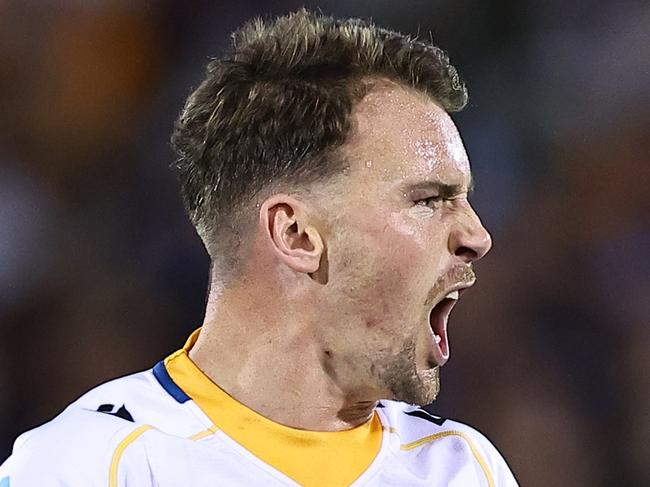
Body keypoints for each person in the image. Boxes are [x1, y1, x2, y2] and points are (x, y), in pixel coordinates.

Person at [0, 9, 518, 486]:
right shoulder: (97, 464)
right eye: (429, 201)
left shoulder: (465, 468)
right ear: (296, 235)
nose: (477, 236)